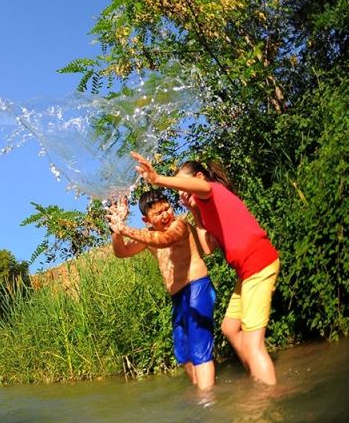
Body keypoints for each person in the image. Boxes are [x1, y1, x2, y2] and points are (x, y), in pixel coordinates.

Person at [131, 151, 280, 385]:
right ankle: (255, 376)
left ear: (199, 178)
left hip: (258, 263)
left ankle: (266, 397)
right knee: (230, 328)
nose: (182, 194)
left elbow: (198, 188)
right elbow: (209, 247)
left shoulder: (211, 190)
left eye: (184, 189)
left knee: (253, 344)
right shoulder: (204, 208)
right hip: (247, 271)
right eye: (180, 194)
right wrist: (193, 210)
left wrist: (157, 178)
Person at [106, 190, 216, 391]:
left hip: (197, 288)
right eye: (158, 213)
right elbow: (121, 252)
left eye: (167, 208)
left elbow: (166, 240)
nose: (165, 215)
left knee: (200, 349)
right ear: (146, 218)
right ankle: (203, 394)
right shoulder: (148, 234)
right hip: (178, 299)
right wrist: (115, 229)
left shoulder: (179, 225)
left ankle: (208, 400)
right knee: (183, 353)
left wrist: (125, 229)